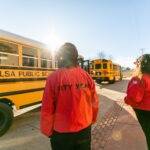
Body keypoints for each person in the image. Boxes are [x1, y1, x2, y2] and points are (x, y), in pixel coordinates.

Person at [40, 42, 99, 150]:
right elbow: (94, 102)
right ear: (75, 57)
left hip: (61, 134)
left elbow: (47, 107)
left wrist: (47, 130)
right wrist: (92, 119)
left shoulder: (53, 78)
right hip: (84, 129)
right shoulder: (87, 77)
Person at [124, 54, 150, 150]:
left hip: (144, 112)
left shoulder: (139, 78)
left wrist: (126, 100)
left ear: (140, 65)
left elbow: (135, 98)